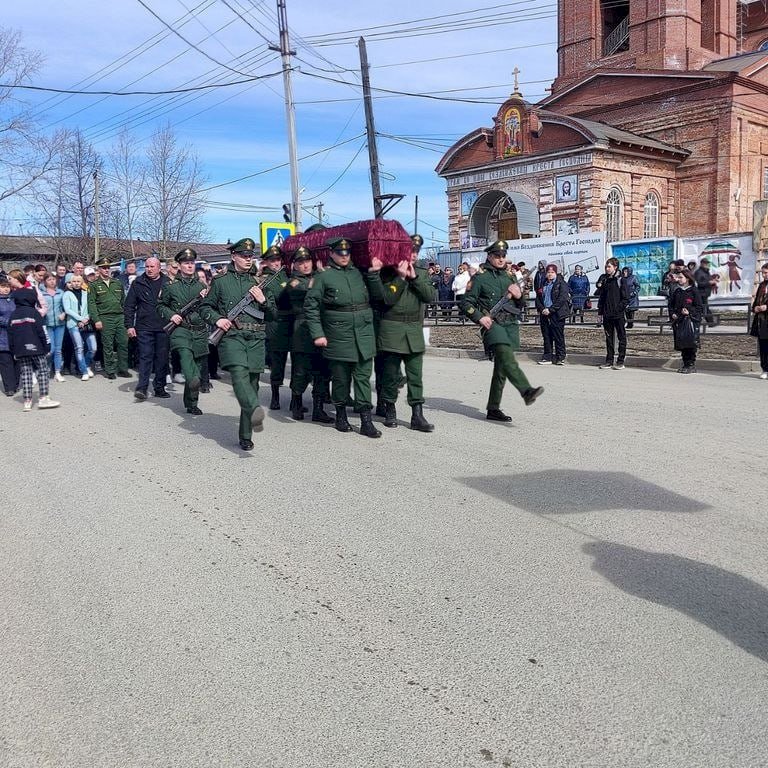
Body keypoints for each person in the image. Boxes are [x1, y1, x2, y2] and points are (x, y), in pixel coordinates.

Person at [199, 237, 275, 451]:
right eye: (244, 256)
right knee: (239, 376)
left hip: (256, 339)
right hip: (232, 336)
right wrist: (217, 319)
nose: (248, 259)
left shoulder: (260, 282)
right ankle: (253, 408)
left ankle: (245, 435)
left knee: (251, 385)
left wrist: (263, 301)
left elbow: (274, 314)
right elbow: (206, 307)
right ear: (234, 257)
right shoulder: (221, 281)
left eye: (251, 256)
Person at [304, 236, 381, 438]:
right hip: (338, 334)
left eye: (347, 253)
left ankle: (366, 420)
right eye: (340, 253)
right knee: (341, 378)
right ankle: (340, 415)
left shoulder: (359, 274)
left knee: (363, 377)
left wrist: (373, 274)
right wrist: (318, 334)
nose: (344, 256)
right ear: (332, 254)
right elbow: (311, 307)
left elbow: (378, 297)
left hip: (363, 333)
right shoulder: (323, 277)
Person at [460, 239, 544, 421]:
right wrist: (479, 317)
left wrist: (519, 295)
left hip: (511, 325)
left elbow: (520, 304)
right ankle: (526, 391)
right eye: (497, 256)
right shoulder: (480, 278)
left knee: (501, 367)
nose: (500, 259)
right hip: (492, 325)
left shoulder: (510, 277)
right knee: (506, 356)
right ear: (489, 257)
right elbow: (465, 303)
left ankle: (493, 408)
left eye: (503, 256)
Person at [367, 244, 435, 432]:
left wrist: (414, 278)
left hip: (413, 329)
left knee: (415, 375)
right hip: (391, 328)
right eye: (409, 252)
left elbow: (429, 296)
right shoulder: (387, 272)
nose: (412, 255)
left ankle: (417, 414)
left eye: (415, 252)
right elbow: (387, 299)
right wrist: (401, 277)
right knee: (390, 374)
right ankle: (389, 409)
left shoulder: (421, 273)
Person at [284, 246, 333, 423]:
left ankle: (318, 408)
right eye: (300, 262)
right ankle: (296, 401)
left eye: (307, 261)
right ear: (295, 265)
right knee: (300, 371)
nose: (304, 265)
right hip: (302, 329)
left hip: (320, 327)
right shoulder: (293, 282)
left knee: (321, 370)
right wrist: (322, 276)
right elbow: (309, 289)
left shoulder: (317, 278)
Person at [157, 248, 209, 414]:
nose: (189, 266)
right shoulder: (171, 286)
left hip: (199, 332)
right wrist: (172, 315)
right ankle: (193, 384)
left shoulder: (202, 286)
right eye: (186, 263)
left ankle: (192, 403)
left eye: (192, 263)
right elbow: (160, 305)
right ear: (179, 265)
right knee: (188, 366)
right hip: (181, 331)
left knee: (198, 370)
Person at [124, 256, 169, 401]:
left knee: (162, 358)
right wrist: (129, 325)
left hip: (163, 327)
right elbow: (129, 305)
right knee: (145, 356)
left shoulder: (168, 283)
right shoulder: (138, 283)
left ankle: (159, 387)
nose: (149, 270)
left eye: (152, 267)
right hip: (144, 327)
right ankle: (142, 388)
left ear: (159, 268)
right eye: (147, 267)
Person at [8, 288, 60, 411]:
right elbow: (42, 331)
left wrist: (13, 350)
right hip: (37, 348)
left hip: (20, 350)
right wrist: (47, 346)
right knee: (42, 371)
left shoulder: (13, 315)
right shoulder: (34, 313)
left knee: (26, 373)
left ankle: (27, 401)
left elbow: (10, 335)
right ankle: (43, 397)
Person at [260, 245, 291, 410]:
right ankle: (275, 396)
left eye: (278, 259)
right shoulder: (265, 281)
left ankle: (296, 399)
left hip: (291, 323)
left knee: (297, 364)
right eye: (272, 260)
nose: (276, 263)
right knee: (277, 364)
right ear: (267, 262)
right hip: (275, 324)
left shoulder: (287, 275)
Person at [89, 256, 130, 379]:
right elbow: (91, 304)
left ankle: (123, 368)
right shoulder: (94, 285)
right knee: (108, 345)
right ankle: (110, 370)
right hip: (105, 317)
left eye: (108, 268)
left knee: (123, 343)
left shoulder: (117, 283)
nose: (106, 270)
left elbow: (123, 300)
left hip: (119, 316)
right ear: (99, 270)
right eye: (103, 268)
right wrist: (96, 320)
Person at [62, 274, 97, 381]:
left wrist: (86, 319)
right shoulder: (67, 294)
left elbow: (90, 307)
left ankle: (85, 364)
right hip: (73, 324)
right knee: (79, 348)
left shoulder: (86, 293)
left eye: (78, 281)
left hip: (86, 323)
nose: (76, 283)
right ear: (70, 283)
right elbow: (67, 310)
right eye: (74, 281)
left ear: (82, 282)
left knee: (93, 348)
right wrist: (80, 319)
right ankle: (84, 371)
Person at [669, 268, 703, 373]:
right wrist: (673, 314)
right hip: (679, 321)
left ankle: (691, 364)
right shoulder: (677, 291)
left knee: (690, 343)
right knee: (682, 343)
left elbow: (699, 307)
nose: (678, 279)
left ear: (687, 278)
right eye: (678, 277)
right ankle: (685, 363)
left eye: (681, 277)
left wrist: (690, 312)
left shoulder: (693, 290)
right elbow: (671, 305)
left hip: (690, 321)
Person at [597, 257, 629, 369]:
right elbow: (602, 297)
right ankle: (609, 360)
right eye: (606, 266)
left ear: (615, 267)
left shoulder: (621, 280)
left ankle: (620, 361)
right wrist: (600, 312)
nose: (607, 269)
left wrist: (618, 309)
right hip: (607, 315)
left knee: (621, 337)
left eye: (609, 266)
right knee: (609, 338)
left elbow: (626, 299)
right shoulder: (605, 280)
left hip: (618, 315)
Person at [535, 263, 569, 365]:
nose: (550, 274)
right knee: (547, 336)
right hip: (544, 313)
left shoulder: (561, 283)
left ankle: (560, 357)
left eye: (552, 272)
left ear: (556, 273)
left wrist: (551, 309)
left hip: (556, 313)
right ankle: (547, 356)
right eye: (548, 272)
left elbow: (562, 299)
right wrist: (542, 309)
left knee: (558, 336)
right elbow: (538, 298)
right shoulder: (543, 284)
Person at [41, 273, 67, 382]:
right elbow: (39, 307)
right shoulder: (41, 294)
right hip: (47, 324)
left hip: (60, 325)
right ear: (45, 282)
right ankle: (45, 369)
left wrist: (64, 313)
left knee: (58, 349)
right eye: (49, 280)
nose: (52, 281)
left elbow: (66, 306)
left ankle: (57, 372)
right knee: (50, 350)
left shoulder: (61, 293)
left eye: (53, 279)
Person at [0, 277, 19, 396]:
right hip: (2, 334)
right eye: (2, 287)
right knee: (5, 362)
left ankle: (16, 384)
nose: (6, 289)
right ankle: (9, 387)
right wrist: (8, 322)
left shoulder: (13, 299)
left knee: (17, 361)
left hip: (16, 334)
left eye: (7, 286)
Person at [749, 262, 768, 380]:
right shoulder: (761, 285)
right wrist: (755, 308)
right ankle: (765, 369)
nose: (764, 275)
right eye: (763, 273)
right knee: (764, 346)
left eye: (766, 273)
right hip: (762, 320)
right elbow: (756, 301)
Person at [693, 257, 718, 327]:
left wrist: (713, 282)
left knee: (702, 308)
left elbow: (706, 281)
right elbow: (699, 283)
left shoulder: (706, 272)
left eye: (707, 263)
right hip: (701, 293)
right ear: (701, 263)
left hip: (705, 293)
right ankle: (710, 322)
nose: (706, 264)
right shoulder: (698, 272)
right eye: (705, 263)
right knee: (704, 308)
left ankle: (702, 321)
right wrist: (709, 283)